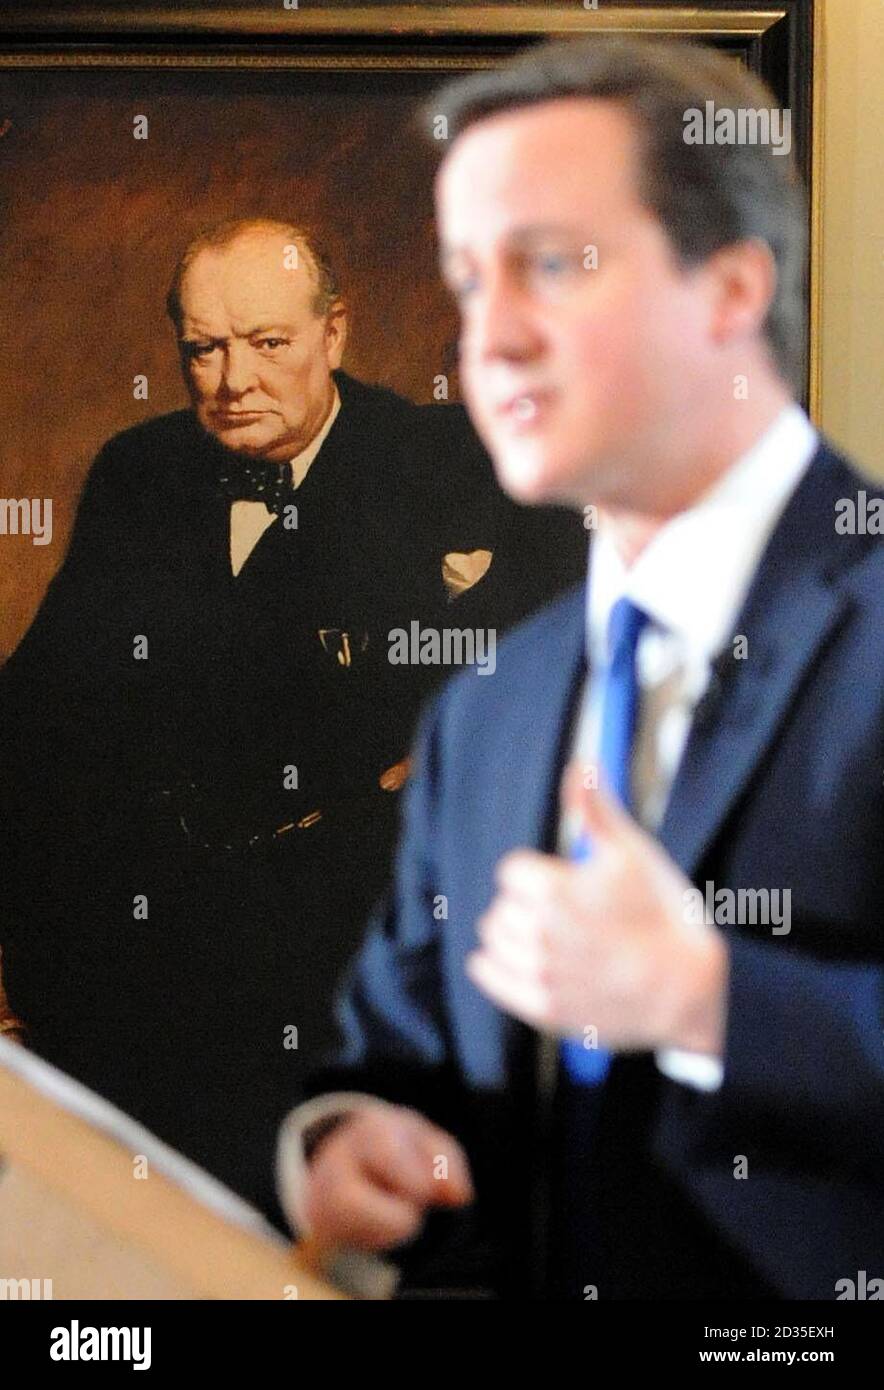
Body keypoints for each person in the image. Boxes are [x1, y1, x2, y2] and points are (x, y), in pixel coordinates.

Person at [280, 39, 884, 1298]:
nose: (482, 341)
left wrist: (710, 999)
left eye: (549, 266)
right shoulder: (484, 709)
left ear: (726, 289)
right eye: (464, 280)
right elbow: (397, 1052)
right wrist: (349, 1142)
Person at [0, 217, 584, 1224]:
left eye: (267, 343)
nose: (232, 378)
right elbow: (39, 710)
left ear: (333, 333)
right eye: (204, 348)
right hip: (146, 949)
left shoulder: (443, 459)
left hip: (341, 958)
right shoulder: (139, 474)